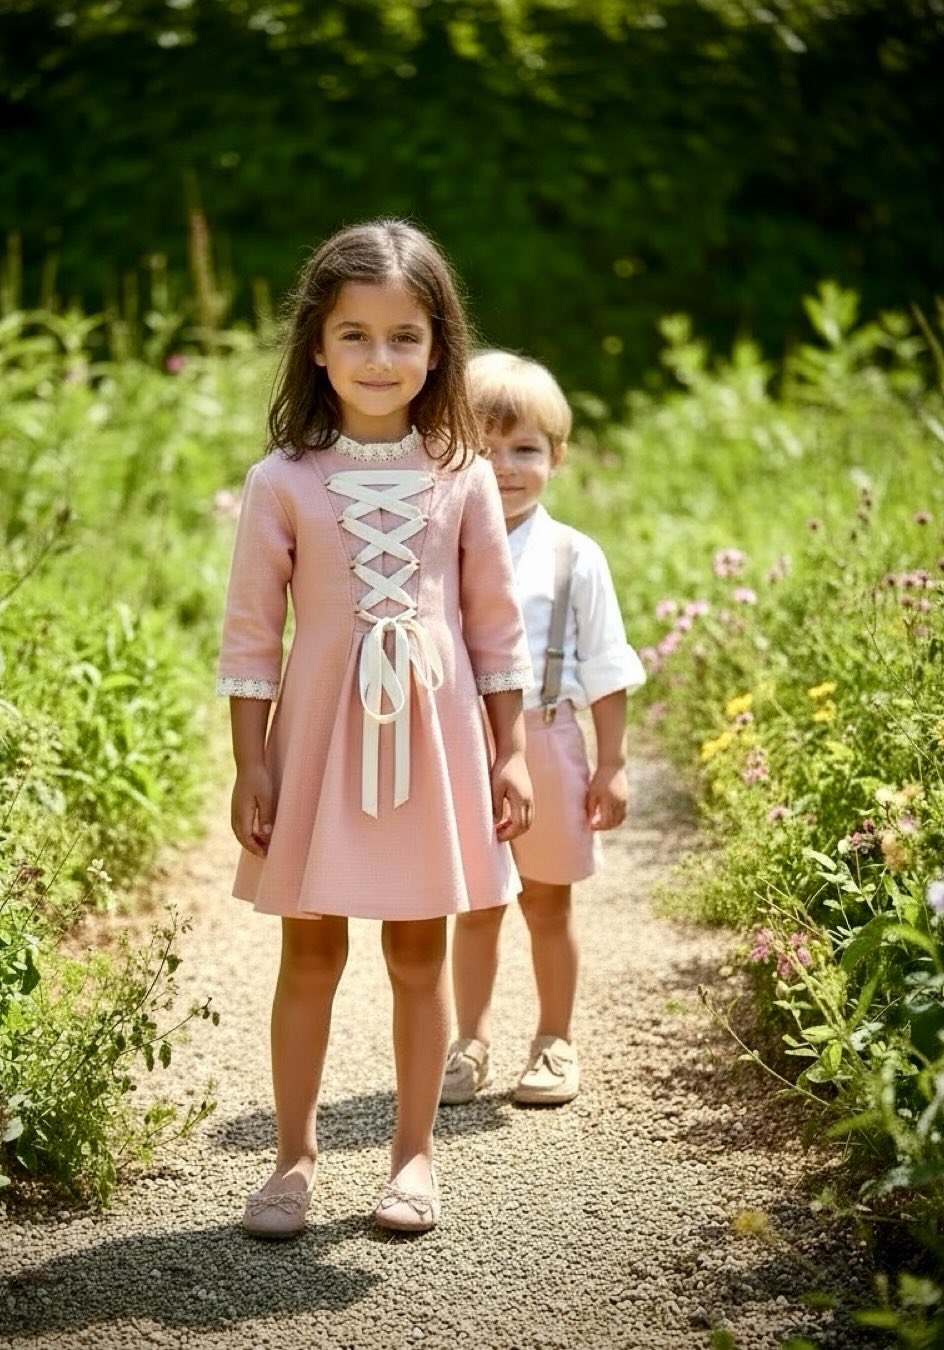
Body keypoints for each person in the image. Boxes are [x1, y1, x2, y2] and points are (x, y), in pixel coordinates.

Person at [216, 223, 534, 1237]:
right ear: (316, 344)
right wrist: (250, 763)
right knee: (308, 956)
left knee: (415, 956)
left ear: (439, 348)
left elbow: (494, 624)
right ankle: (295, 1159)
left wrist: (513, 748)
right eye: (355, 335)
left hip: (433, 741)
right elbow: (252, 636)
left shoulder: (463, 474)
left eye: (405, 336)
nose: (380, 359)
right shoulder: (284, 481)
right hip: (318, 741)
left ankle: (412, 1159)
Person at [442, 350, 645, 1109]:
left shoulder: (573, 556)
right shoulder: (446, 546)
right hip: (467, 747)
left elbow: (607, 665)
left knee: (548, 902)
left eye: (523, 449)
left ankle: (555, 1040)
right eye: (483, 449)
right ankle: (470, 1039)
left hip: (551, 742)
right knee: (476, 904)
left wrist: (613, 763)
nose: (503, 468)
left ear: (556, 455)